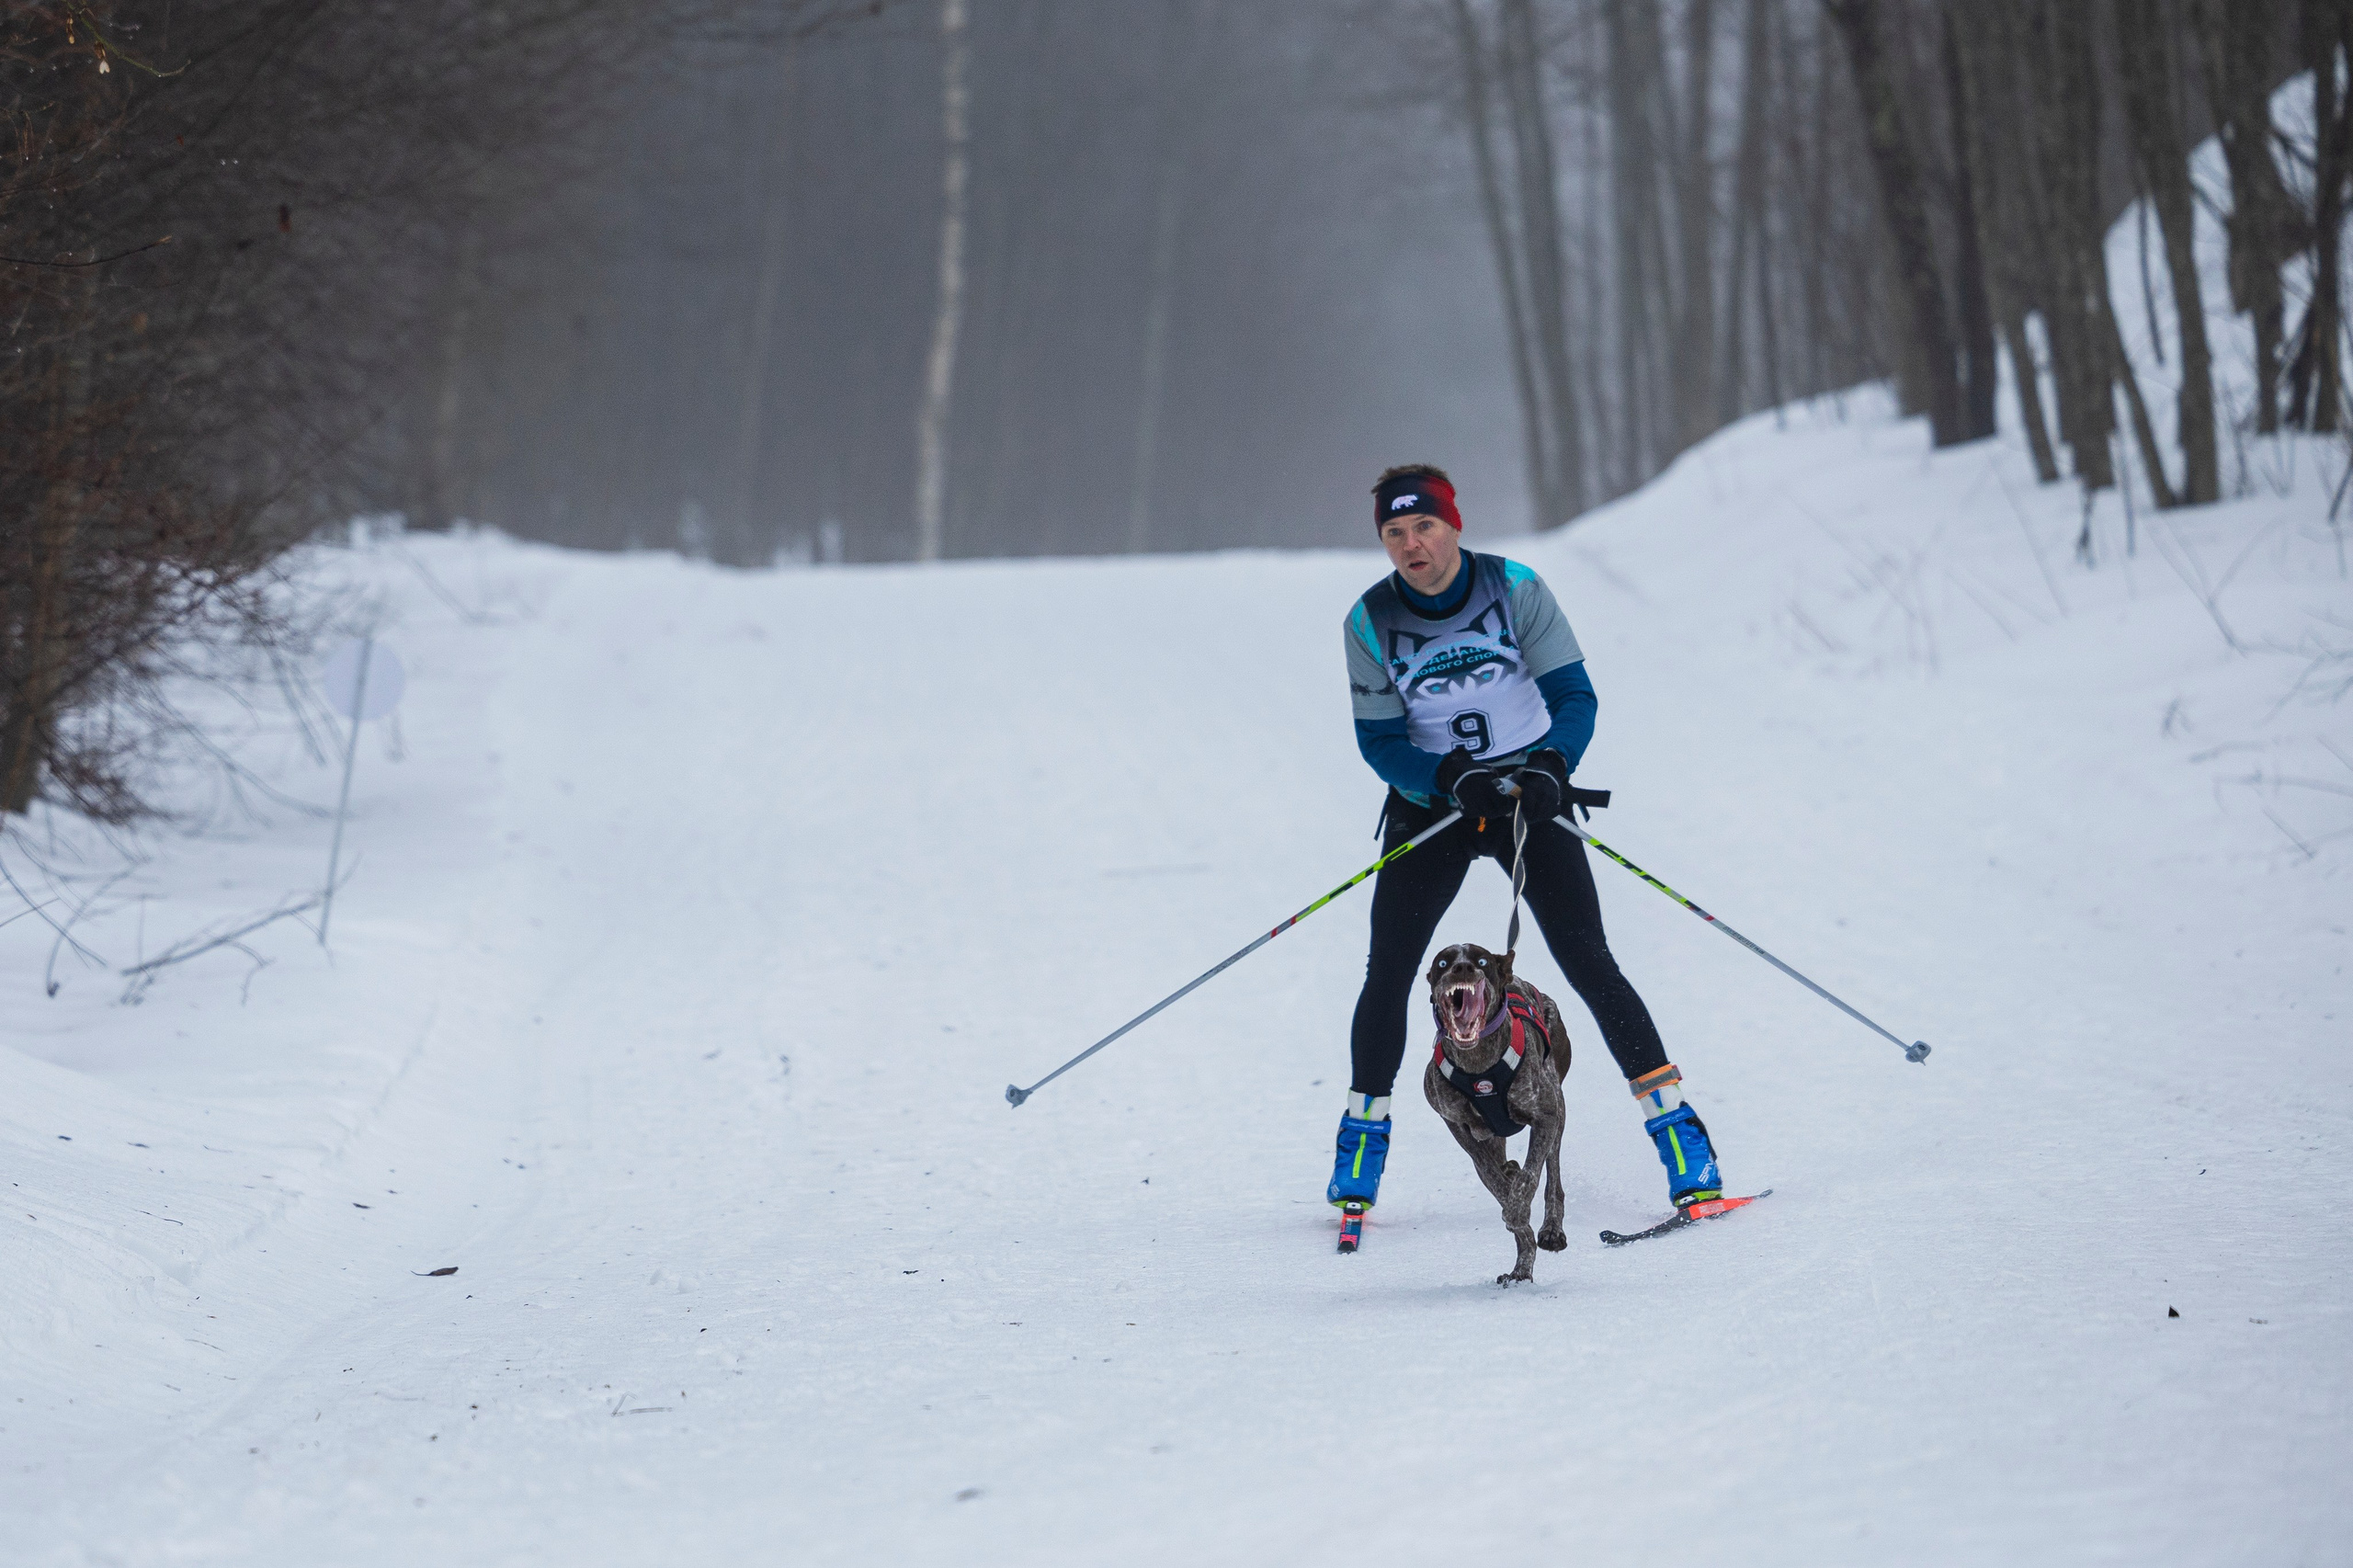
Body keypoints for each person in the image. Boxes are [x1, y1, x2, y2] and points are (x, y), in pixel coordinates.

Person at [1329, 462, 1722, 1219]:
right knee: (1390, 973)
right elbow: (1378, 740)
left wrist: (1550, 764)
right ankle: (1361, 1145)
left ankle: (1680, 1139)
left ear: (1455, 525)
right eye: (1395, 532)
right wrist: (1448, 778)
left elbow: (1573, 695)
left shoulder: (1514, 588)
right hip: (1434, 804)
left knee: (1588, 961)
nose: (1413, 545)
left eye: (1425, 527)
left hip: (1523, 796)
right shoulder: (1368, 621)